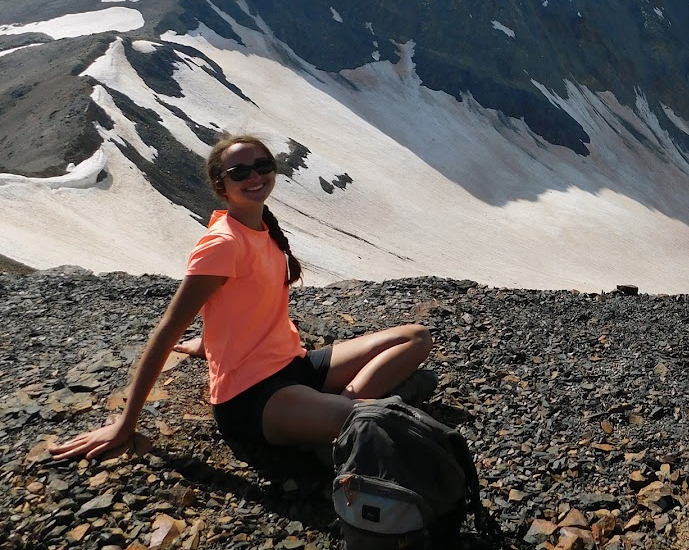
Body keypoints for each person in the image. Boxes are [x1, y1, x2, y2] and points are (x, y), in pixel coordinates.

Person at [52, 133, 434, 462]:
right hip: (252, 396)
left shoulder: (263, 226)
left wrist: (213, 342)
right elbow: (168, 328)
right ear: (222, 186)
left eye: (262, 166)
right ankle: (341, 418)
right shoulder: (222, 244)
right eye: (240, 172)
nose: (255, 176)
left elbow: (241, 303)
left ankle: (336, 414)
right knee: (379, 421)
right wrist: (125, 423)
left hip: (293, 364)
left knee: (417, 337)